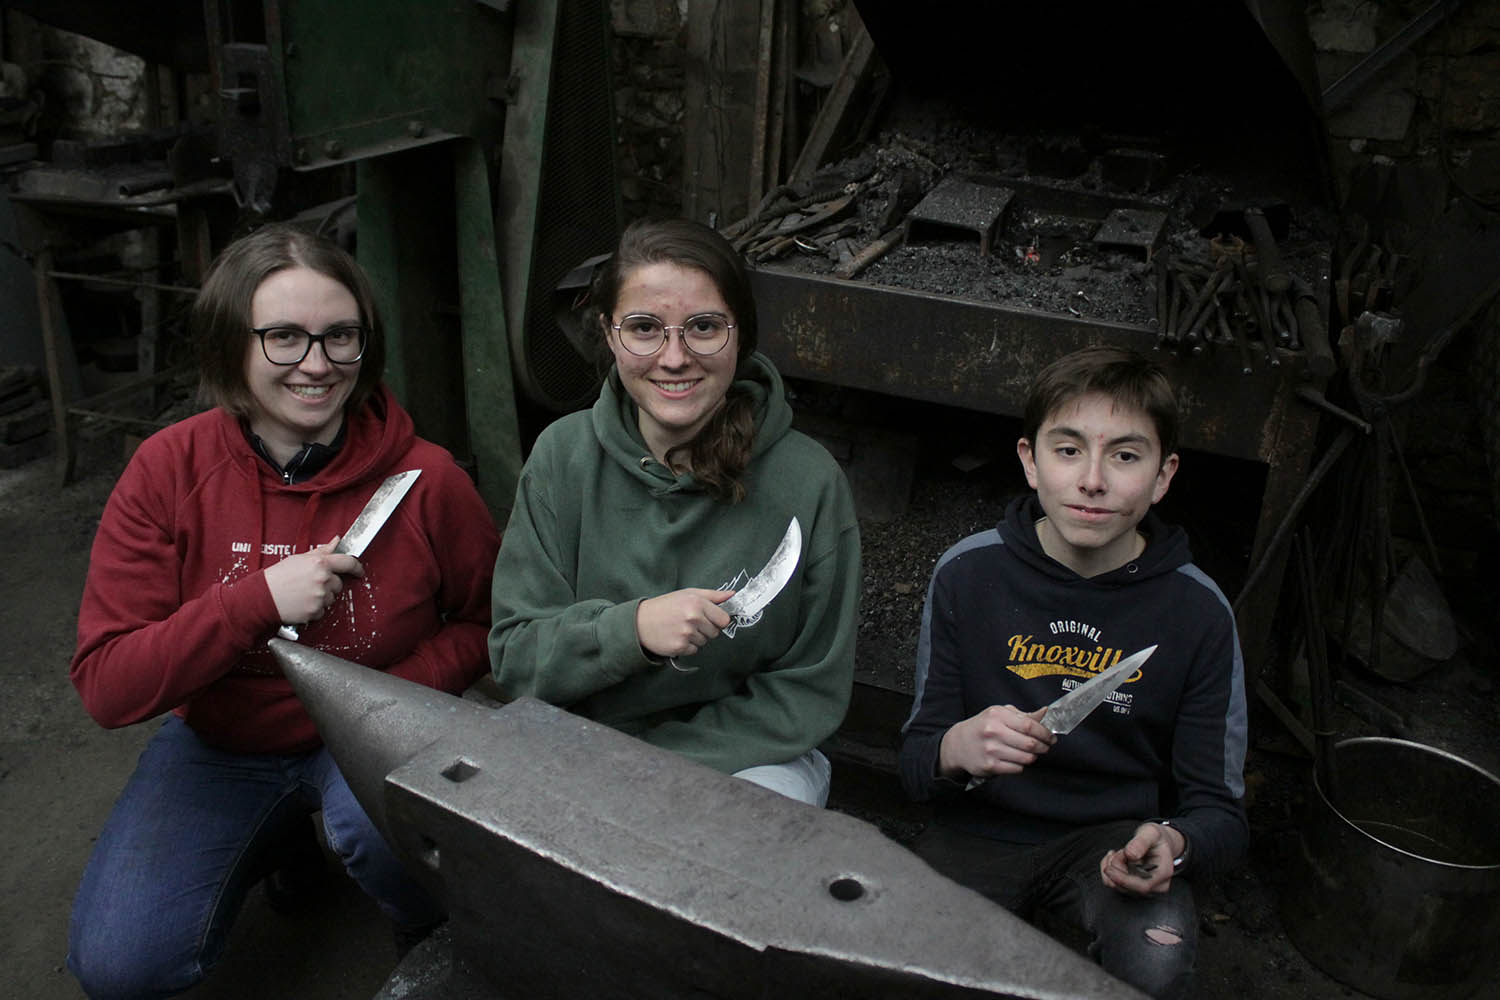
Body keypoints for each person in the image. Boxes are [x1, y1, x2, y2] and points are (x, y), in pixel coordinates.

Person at [66, 223, 501, 999]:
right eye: (285, 337)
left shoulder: (427, 479)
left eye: (341, 336)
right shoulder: (168, 469)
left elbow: (487, 622)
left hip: (374, 732)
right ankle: (277, 838)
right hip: (222, 742)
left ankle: (422, 920)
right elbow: (108, 685)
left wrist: (384, 695)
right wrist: (255, 602)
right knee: (120, 966)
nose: (318, 363)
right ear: (231, 345)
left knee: (383, 839)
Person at [898, 345, 1247, 1000]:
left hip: (1114, 845)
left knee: (1157, 968)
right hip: (978, 830)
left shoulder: (1199, 612)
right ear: (1030, 461)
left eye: (1125, 455)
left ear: (1163, 475)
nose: (1092, 480)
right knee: (889, 960)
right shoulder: (968, 573)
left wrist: (1172, 843)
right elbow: (915, 766)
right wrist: (954, 749)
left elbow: (1220, 814)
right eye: (1067, 450)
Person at [488, 217, 860, 806]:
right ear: (609, 334)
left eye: (704, 327)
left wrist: (655, 772)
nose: (675, 357)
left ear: (740, 334)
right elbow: (518, 657)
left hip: (747, 757)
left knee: (748, 835)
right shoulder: (563, 456)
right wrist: (630, 630)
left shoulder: (808, 480)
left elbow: (807, 691)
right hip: (580, 744)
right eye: (644, 329)